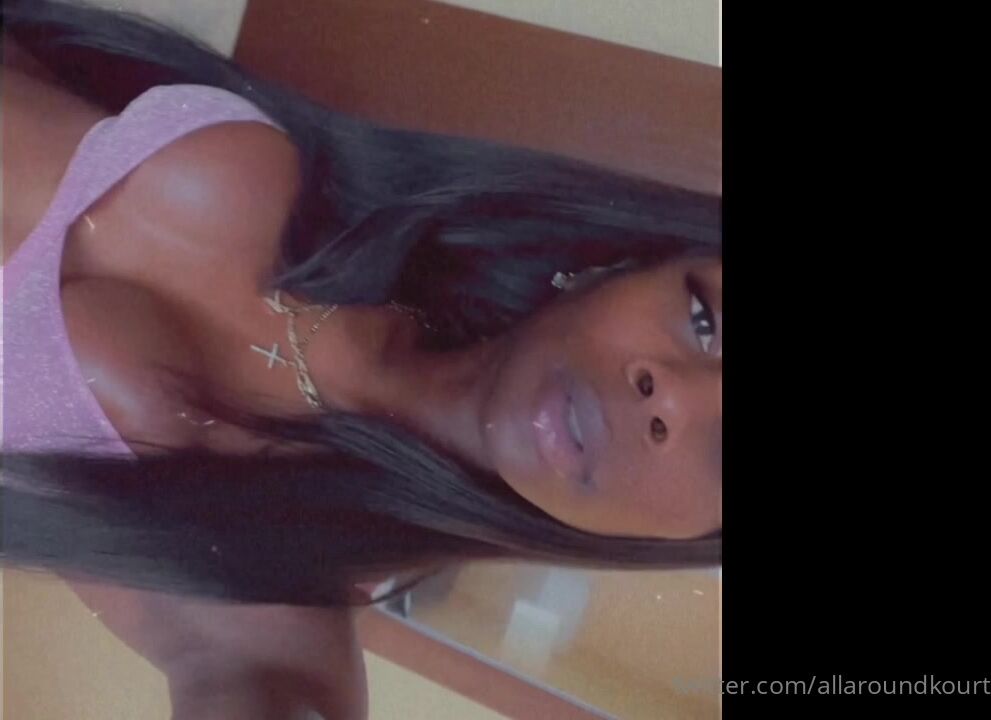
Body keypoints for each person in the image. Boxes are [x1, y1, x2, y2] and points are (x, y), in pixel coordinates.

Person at [2, 1, 721, 717]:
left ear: (685, 539)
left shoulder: (280, 583)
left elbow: (268, 687)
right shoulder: (362, 218)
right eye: (703, 322)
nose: (672, 399)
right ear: (620, 269)